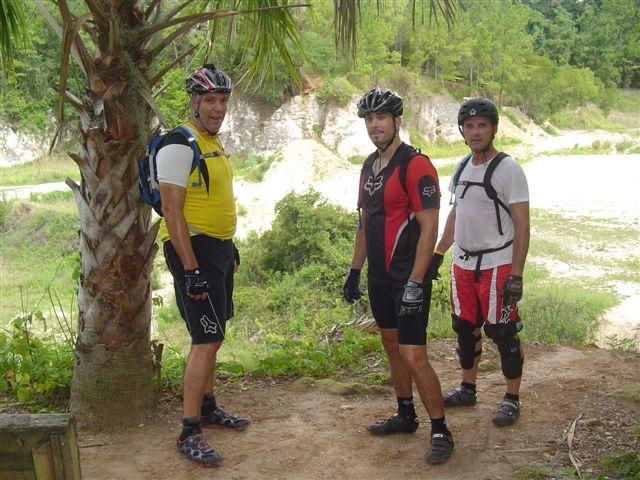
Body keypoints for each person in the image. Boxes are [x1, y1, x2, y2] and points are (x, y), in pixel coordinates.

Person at [343, 88, 454, 465]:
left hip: (409, 277)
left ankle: (440, 429)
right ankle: (405, 414)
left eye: (381, 117)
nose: (375, 125)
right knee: (390, 346)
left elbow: (430, 228)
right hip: (379, 278)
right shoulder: (368, 167)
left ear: (396, 120)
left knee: (412, 353)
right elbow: (364, 222)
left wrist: (416, 281)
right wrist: (354, 270)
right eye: (369, 119)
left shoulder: (415, 165)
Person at [157, 64, 250, 467]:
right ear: (194, 102)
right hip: (191, 251)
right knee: (205, 337)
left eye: (223, 100)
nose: (218, 108)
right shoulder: (179, 143)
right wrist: (192, 269)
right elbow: (172, 212)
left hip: (216, 252)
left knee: (216, 333)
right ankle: (189, 429)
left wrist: (227, 249)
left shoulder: (211, 142)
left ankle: (209, 408)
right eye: (210, 100)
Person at [430, 98, 530, 427]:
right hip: (463, 261)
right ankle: (468, 388)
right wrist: (439, 253)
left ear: (494, 129)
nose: (475, 132)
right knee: (464, 328)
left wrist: (516, 274)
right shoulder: (461, 167)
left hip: (497, 261)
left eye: (482, 126)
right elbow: (457, 213)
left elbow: (522, 224)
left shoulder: (508, 169)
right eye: (469, 126)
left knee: (502, 331)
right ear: (462, 130)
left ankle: (511, 397)